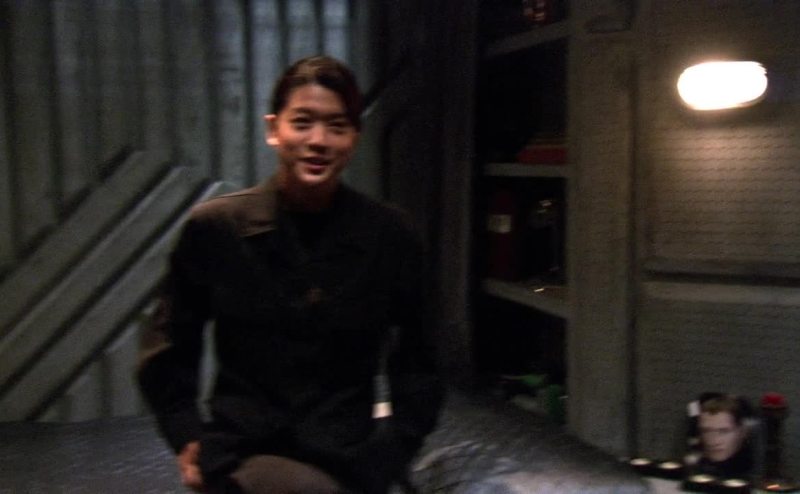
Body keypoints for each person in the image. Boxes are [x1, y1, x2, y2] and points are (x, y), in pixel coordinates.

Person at [137, 55, 443, 494]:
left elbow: (420, 359)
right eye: (302, 122)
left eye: (337, 126)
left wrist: (396, 445)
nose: (318, 141)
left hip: (349, 455)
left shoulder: (390, 235)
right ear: (273, 129)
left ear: (354, 138)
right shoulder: (216, 229)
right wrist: (186, 435)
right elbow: (169, 343)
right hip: (243, 450)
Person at [688, 394, 754, 479]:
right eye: (706, 431)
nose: (714, 441)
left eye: (723, 431)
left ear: (743, 432)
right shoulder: (694, 469)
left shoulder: (754, 470)